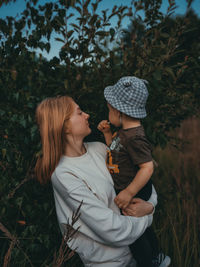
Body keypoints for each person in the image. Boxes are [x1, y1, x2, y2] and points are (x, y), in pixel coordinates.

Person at [35, 95, 158, 267]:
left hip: (141, 254)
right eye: (79, 113)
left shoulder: (100, 149)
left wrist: (150, 206)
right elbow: (111, 230)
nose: (87, 115)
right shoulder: (64, 174)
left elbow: (143, 181)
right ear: (64, 126)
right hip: (111, 263)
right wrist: (148, 217)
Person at [97, 76, 171, 267]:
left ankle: (149, 262)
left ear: (119, 111)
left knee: (135, 236)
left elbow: (147, 167)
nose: (108, 113)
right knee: (142, 230)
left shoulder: (135, 137)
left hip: (136, 189)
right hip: (130, 187)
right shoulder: (123, 133)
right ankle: (157, 256)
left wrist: (129, 192)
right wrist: (107, 134)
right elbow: (116, 153)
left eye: (109, 109)